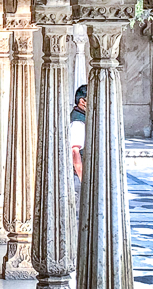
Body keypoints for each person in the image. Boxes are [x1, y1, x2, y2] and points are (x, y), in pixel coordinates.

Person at [70, 84, 87, 212]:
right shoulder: (77, 122)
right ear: (83, 101)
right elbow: (75, 152)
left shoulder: (81, 118)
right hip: (76, 177)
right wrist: (82, 178)